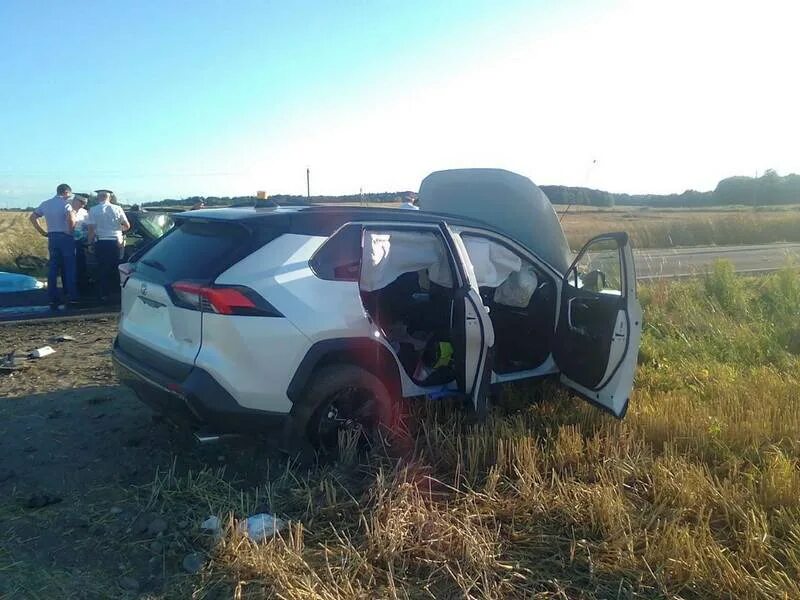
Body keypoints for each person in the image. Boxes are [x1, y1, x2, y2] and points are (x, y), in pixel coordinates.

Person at [29, 183, 78, 310]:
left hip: (52, 236)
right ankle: (71, 296)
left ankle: (53, 297)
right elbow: (71, 219)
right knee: (69, 267)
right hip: (65, 236)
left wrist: (42, 231)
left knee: (53, 268)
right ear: (66, 192)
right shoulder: (67, 204)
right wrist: (71, 231)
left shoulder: (46, 203)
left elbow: (33, 217)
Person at [87, 190, 130, 302]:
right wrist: (117, 230)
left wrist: (90, 242)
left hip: (101, 241)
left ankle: (104, 293)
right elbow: (127, 225)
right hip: (116, 241)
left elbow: (91, 229)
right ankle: (118, 291)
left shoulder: (93, 210)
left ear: (99, 197)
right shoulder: (118, 208)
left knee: (102, 267)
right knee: (116, 266)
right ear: (109, 198)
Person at [71, 195, 90, 295]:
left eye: (85, 203)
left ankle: (82, 287)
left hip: (81, 242)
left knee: (81, 264)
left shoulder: (84, 212)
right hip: (69, 241)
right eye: (81, 202)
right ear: (75, 200)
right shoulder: (67, 209)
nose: (83, 205)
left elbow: (88, 226)